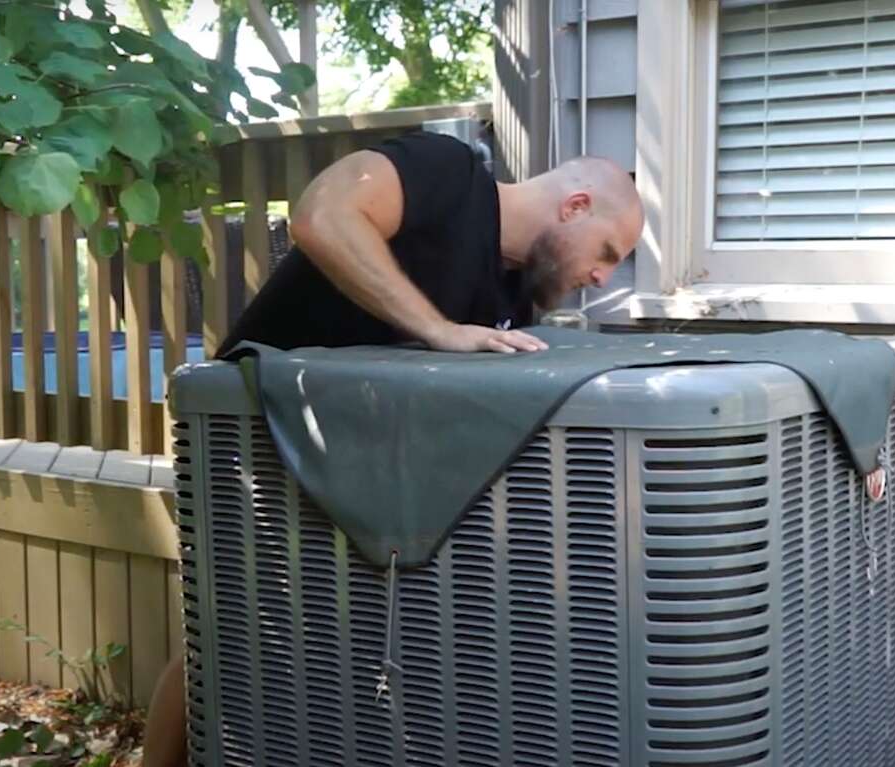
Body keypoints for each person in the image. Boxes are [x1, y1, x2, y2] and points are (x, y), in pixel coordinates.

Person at [142, 130, 644, 767]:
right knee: (223, 636)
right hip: (260, 439)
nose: (600, 277)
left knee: (335, 654)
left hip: (372, 476)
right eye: (606, 252)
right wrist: (438, 330)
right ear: (574, 206)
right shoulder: (450, 174)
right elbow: (322, 214)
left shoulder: (515, 300)